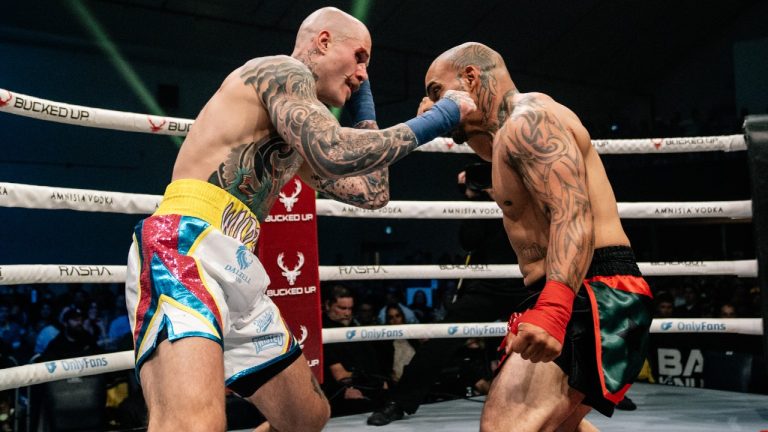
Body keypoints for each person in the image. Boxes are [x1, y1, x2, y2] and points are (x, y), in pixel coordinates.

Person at [124, 7, 476, 432]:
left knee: (306, 417)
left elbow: (372, 193)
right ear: (323, 41)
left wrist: (363, 102)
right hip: (184, 247)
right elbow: (334, 151)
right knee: (193, 423)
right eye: (360, 57)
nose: (364, 72)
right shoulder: (280, 71)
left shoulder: (297, 133)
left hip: (237, 260)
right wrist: (438, 119)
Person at [419, 43, 653, 431]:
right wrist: (438, 117)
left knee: (504, 427)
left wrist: (555, 309)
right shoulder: (504, 135)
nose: (432, 104)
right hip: (576, 287)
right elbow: (483, 147)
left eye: (435, 91)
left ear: (471, 78)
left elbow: (572, 213)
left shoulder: (529, 122)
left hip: (589, 289)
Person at [367, 162, 529, 426]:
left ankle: (597, 393)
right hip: (486, 285)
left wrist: (506, 195)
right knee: (442, 339)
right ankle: (399, 402)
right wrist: (475, 199)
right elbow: (469, 242)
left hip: (526, 281)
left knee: (568, 326)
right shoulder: (480, 200)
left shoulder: (525, 187)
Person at [321, 285, 388, 416]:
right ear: (328, 305)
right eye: (342, 308)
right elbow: (340, 375)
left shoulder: (355, 328)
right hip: (339, 394)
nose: (347, 313)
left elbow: (373, 364)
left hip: (367, 387)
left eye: (350, 308)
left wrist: (381, 382)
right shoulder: (323, 332)